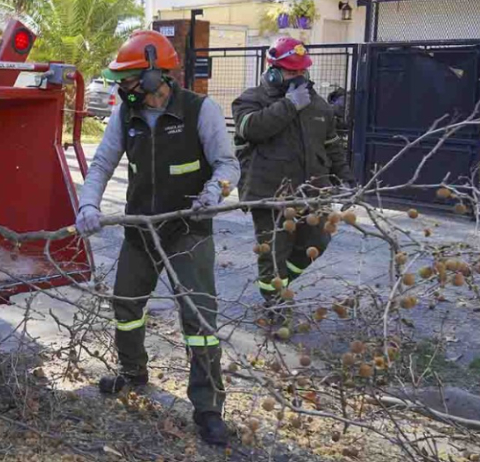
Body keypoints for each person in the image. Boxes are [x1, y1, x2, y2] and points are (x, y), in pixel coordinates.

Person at [75, 30, 240, 446]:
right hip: (140, 229)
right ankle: (133, 372)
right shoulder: (124, 116)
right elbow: (101, 165)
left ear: (153, 77)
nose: (120, 88)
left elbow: (227, 165)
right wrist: (88, 206)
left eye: (127, 79)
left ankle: (207, 406)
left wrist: (213, 192)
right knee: (126, 305)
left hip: (188, 230)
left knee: (199, 319)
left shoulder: (200, 110)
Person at [231, 37, 353, 320]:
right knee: (273, 253)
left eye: (301, 72)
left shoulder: (318, 106)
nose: (298, 78)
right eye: (290, 72)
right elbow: (251, 130)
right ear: (272, 70)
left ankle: (281, 285)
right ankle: (276, 308)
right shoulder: (250, 100)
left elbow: (332, 145)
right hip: (270, 194)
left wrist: (346, 178)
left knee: (318, 243)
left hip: (313, 192)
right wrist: (288, 105)